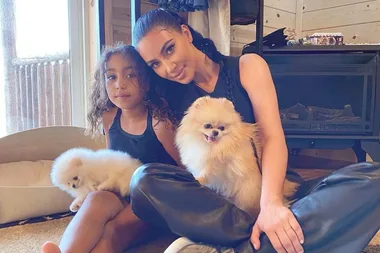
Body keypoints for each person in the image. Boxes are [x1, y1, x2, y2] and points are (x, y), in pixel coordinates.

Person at [128, 8, 380, 253]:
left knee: (373, 179)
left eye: (169, 49)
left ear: (186, 33)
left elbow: (272, 138)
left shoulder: (247, 66)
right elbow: (186, 176)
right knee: (142, 181)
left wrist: (271, 206)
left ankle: (254, 242)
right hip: (219, 206)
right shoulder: (169, 99)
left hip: (274, 189)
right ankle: (265, 239)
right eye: (155, 64)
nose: (168, 67)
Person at [41, 44, 182, 253]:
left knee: (110, 230)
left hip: (156, 201)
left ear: (147, 79)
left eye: (131, 75)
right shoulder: (109, 118)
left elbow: (187, 172)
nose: (120, 85)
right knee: (94, 200)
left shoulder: (160, 124)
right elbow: (109, 161)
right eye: (111, 77)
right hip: (121, 192)